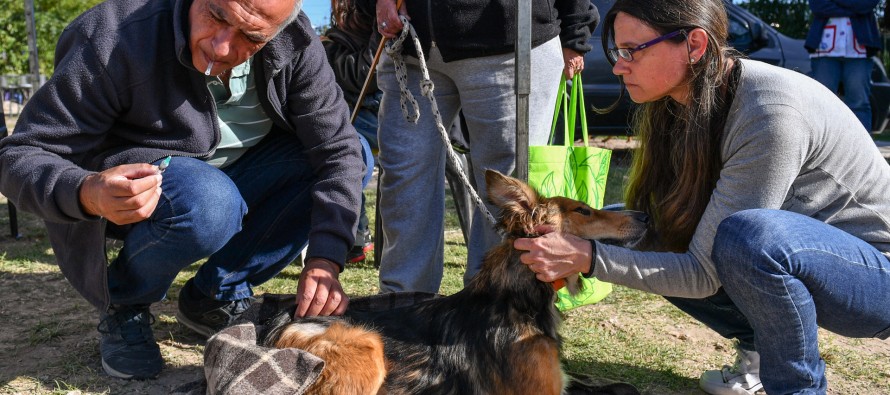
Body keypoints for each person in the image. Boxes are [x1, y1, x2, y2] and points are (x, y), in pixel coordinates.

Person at [513, 0, 890, 394]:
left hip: (873, 276)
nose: (618, 66)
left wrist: (587, 258)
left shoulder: (769, 112)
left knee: (749, 238)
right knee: (627, 227)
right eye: (616, 52)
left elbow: (704, 272)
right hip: (802, 261)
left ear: (694, 45)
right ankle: (761, 352)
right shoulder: (682, 101)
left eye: (631, 51)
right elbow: (677, 236)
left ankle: (796, 387)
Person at [0, 0, 367, 380]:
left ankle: (214, 294)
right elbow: (22, 154)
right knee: (208, 202)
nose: (222, 47)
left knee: (356, 152)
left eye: (251, 37)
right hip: (147, 191)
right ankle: (125, 298)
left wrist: (326, 257)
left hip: (239, 177)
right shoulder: (114, 34)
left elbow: (337, 150)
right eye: (216, 16)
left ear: (278, 28)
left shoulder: (295, 41)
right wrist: (86, 191)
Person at [363, 0, 599, 294]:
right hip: (410, 43)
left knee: (508, 196)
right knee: (403, 181)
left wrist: (576, 31)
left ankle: (488, 313)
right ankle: (403, 308)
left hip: (511, 43)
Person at [804, 0, 882, 132]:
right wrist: (853, 8)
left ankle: (860, 150)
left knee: (859, 103)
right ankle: (822, 150)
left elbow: (867, 5)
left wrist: (839, 5)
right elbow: (817, 6)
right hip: (824, 49)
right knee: (821, 102)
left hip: (859, 50)